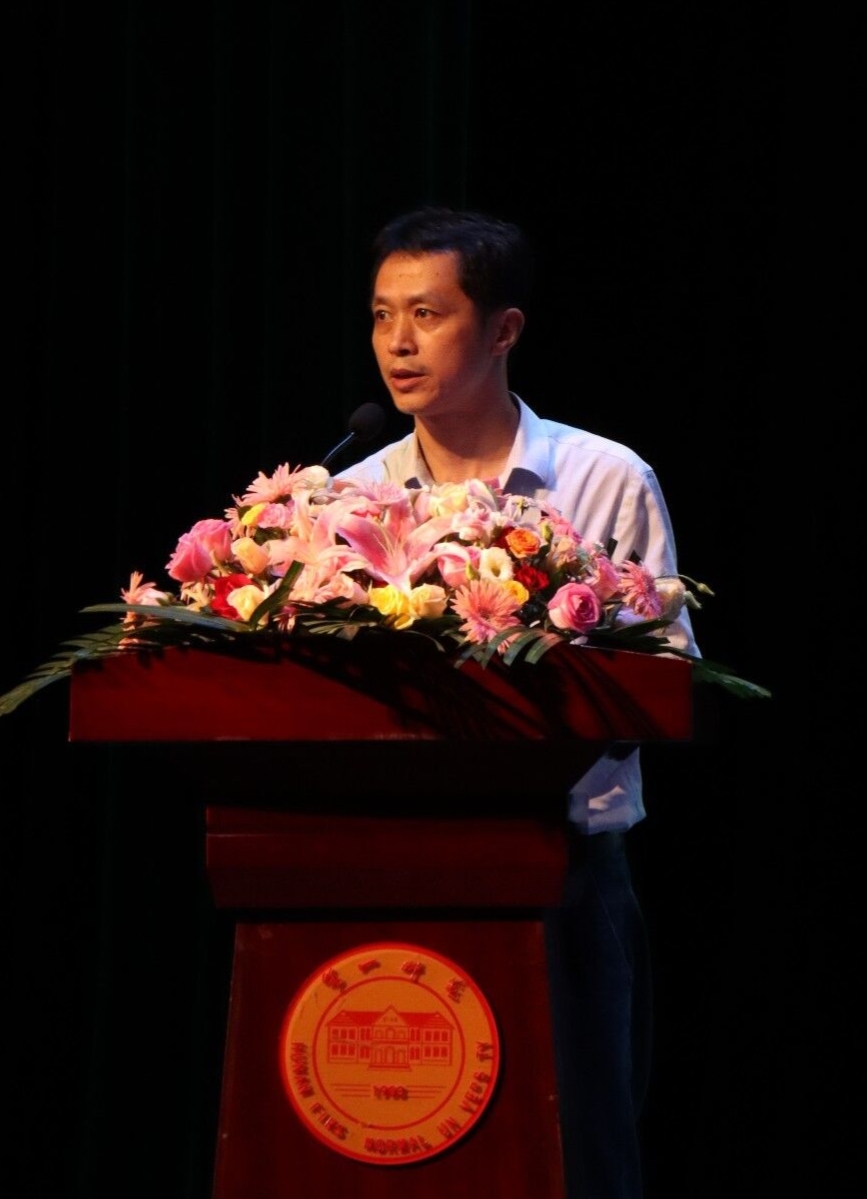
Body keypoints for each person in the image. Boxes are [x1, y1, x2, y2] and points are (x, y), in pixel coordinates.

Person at [332, 205, 698, 1199]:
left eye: (427, 314)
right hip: (383, 864)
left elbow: (662, 680)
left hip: (567, 868)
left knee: (578, 1152)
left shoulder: (603, 478)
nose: (397, 342)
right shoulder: (345, 498)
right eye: (381, 315)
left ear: (503, 329)